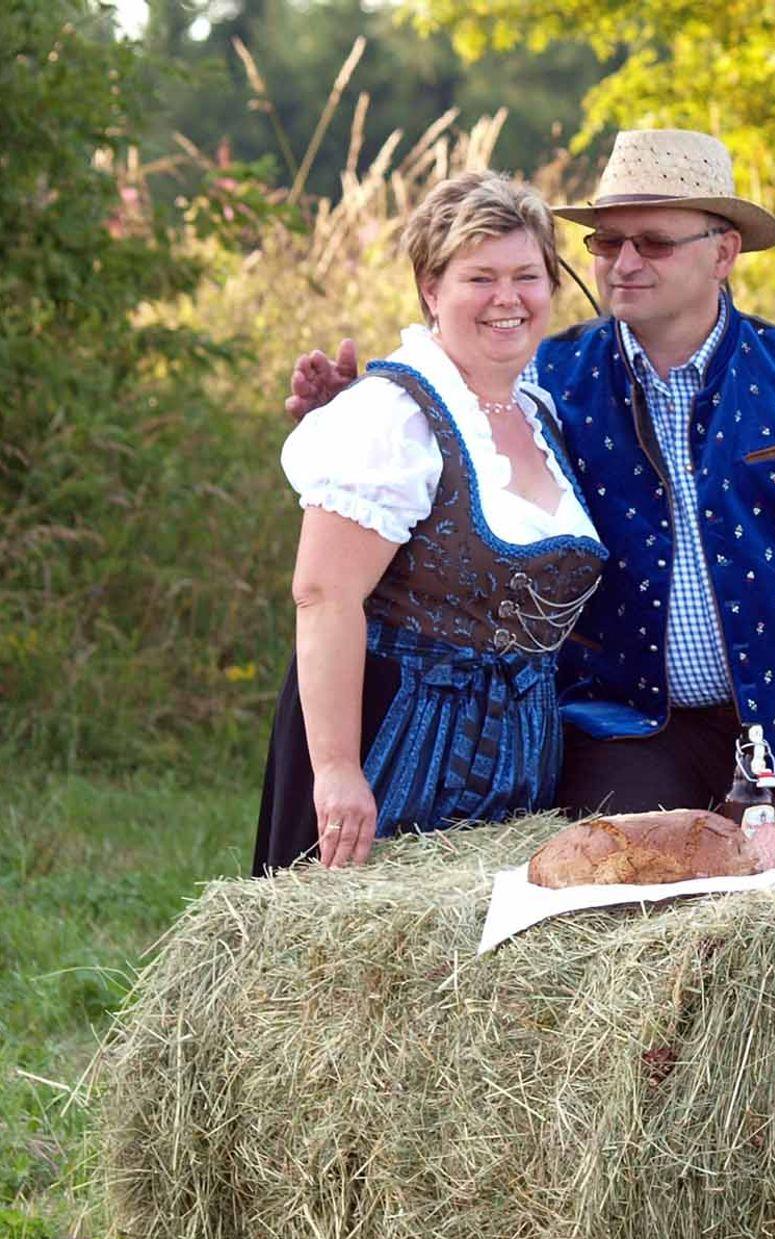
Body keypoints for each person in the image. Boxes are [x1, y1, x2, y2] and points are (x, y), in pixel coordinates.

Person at [288, 131, 775, 827]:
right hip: (620, 731)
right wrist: (354, 412)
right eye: (606, 242)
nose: (623, 263)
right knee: (625, 875)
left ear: (724, 252)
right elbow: (433, 431)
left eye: (653, 242)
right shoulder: (540, 379)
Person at [255, 171, 606, 874]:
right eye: (480, 278)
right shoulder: (391, 416)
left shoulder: (539, 412)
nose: (507, 298)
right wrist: (337, 770)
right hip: (396, 745)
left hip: (516, 761)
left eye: (527, 277)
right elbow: (323, 596)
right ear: (430, 289)